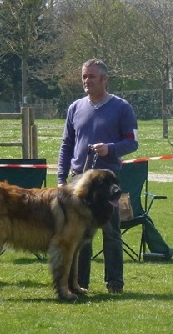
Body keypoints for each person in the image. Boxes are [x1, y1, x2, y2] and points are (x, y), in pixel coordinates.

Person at [57, 58, 138, 294]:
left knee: (111, 232)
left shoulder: (122, 107)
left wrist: (110, 148)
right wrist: (62, 177)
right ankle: (79, 283)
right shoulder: (75, 107)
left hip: (107, 182)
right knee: (79, 234)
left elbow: (132, 143)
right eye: (84, 76)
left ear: (104, 79)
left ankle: (114, 283)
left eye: (91, 76)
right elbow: (66, 144)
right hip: (78, 180)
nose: (86, 81)